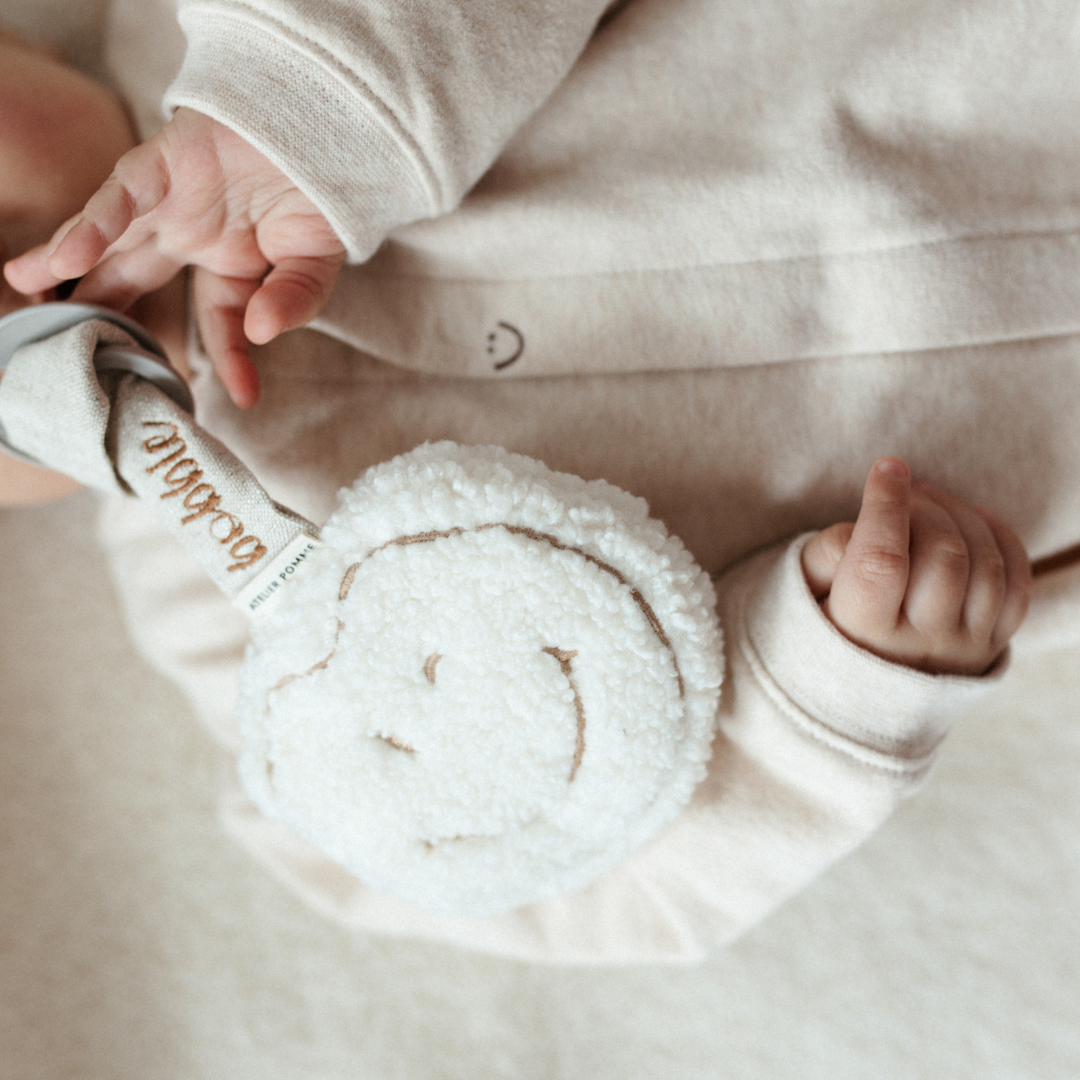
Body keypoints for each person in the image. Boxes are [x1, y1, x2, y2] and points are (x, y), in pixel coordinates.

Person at [2, 2, 1077, 961]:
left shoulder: (226, 32)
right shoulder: (242, 634)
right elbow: (551, 880)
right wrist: (825, 695)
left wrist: (306, 92)